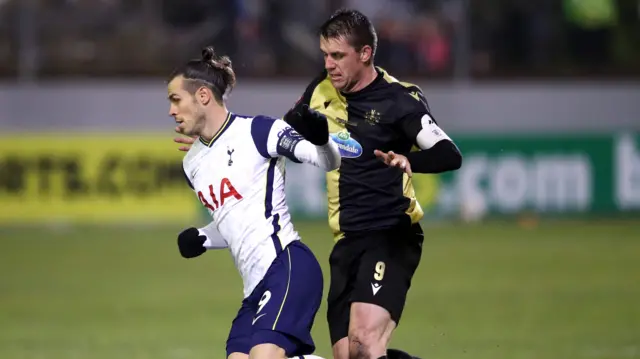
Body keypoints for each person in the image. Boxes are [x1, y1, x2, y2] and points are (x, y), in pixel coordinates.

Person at [174, 9, 463, 359]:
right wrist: (214, 147)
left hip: (390, 232)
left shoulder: (400, 100)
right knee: (348, 356)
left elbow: (449, 154)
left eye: (338, 55)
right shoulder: (319, 91)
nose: (329, 64)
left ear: (365, 53)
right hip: (346, 239)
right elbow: (278, 140)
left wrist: (409, 160)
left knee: (364, 344)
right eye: (325, 54)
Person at [169, 46, 341, 359]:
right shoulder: (191, 165)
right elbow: (235, 221)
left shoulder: (260, 131)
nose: (171, 110)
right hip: (254, 289)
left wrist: (323, 140)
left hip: (288, 266)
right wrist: (204, 237)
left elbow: (327, 162)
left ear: (203, 96)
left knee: (265, 356)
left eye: (176, 99)